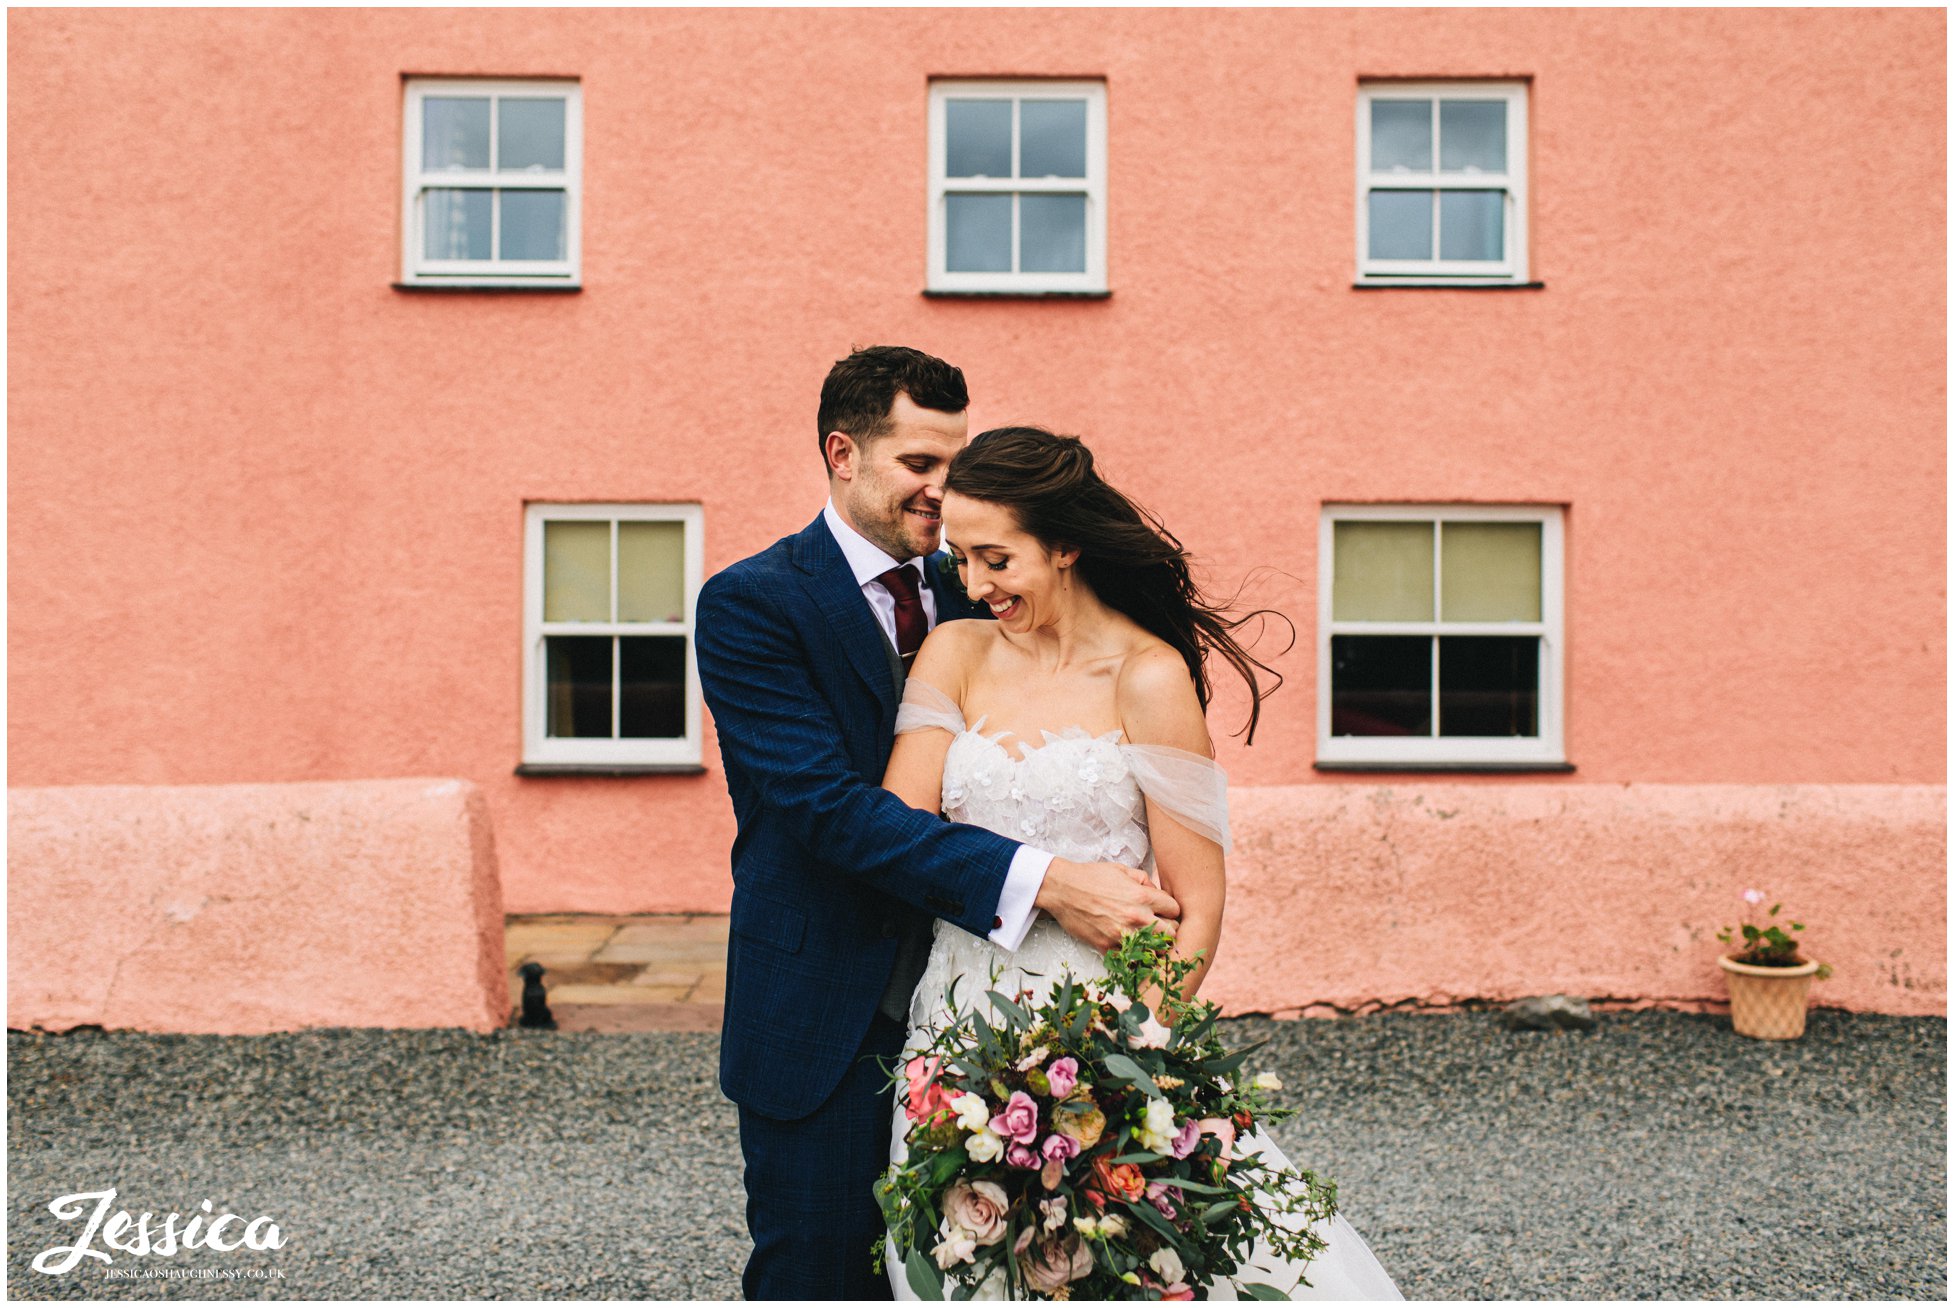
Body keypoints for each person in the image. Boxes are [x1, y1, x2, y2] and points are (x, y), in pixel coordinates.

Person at [695, 348, 1182, 1301]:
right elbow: (828, 811)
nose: (942, 489)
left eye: (953, 462)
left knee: (1017, 1277)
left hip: (1002, 1018)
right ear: (844, 453)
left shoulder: (988, 585)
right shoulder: (755, 604)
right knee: (822, 1276)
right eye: (920, 463)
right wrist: (1046, 878)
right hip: (828, 1008)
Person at [880, 426, 1403, 1299]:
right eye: (962, 560)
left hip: (1101, 1037)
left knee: (1123, 1269)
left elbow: (1197, 906)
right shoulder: (955, 653)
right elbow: (900, 835)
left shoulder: (1149, 676)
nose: (973, 586)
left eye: (997, 559)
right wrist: (1050, 884)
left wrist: (1134, 1060)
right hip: (958, 1023)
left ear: (1066, 545)